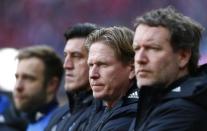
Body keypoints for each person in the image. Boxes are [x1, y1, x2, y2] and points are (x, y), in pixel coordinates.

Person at [132, 6, 207, 131]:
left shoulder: (183, 110)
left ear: (183, 56)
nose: (139, 59)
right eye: (136, 49)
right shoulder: (154, 99)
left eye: (153, 48)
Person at [45, 23, 100, 131]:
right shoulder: (59, 115)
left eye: (76, 56)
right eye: (66, 56)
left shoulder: (104, 116)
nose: (66, 65)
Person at [85, 26, 138, 131]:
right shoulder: (98, 110)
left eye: (103, 64)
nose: (93, 74)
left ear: (132, 69)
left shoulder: (131, 116)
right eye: (91, 65)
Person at [13, 45, 64, 131]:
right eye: (17, 77)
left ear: (51, 85)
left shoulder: (61, 126)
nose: (18, 86)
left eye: (28, 78)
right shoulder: (31, 122)